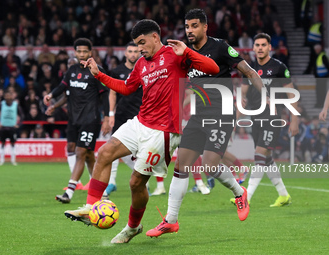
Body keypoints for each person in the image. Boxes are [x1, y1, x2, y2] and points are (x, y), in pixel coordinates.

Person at [64, 19, 220, 244]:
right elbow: (127, 88)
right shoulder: (141, 64)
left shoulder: (176, 54)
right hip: (140, 122)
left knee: (136, 182)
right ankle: (90, 207)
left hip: (163, 131)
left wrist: (188, 52)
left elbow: (213, 68)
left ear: (155, 37)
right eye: (137, 45)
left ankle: (132, 227)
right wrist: (99, 75)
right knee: (105, 153)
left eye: (142, 43)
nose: (140, 48)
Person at [146, 9, 265, 238]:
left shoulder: (220, 47)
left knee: (210, 166)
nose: (189, 31)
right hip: (198, 115)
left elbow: (248, 71)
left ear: (205, 27)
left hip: (222, 113)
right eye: (187, 26)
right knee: (181, 166)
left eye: (194, 26)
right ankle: (170, 221)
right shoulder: (184, 53)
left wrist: (266, 97)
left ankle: (240, 193)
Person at [233, 33, 299, 207]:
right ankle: (283, 195)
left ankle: (245, 196)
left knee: (259, 156)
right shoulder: (248, 69)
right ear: (253, 48)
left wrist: (295, 120)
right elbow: (243, 98)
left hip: (272, 118)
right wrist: (234, 121)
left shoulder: (279, 67)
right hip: (255, 119)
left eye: (264, 45)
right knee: (266, 159)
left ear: (270, 47)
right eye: (257, 45)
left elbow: (292, 95)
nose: (260, 48)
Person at [43, 38, 110, 203]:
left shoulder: (96, 70)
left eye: (85, 51)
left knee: (81, 152)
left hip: (90, 119)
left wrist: (108, 117)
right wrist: (51, 96)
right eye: (79, 51)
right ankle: (102, 190)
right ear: (75, 52)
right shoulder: (72, 70)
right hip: (73, 120)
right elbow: (63, 87)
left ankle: (70, 192)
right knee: (86, 156)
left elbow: (106, 95)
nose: (82, 54)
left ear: (90, 52)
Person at [105, 41, 141, 196]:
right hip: (120, 116)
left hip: (140, 117)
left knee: (138, 152)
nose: (133, 54)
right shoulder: (117, 71)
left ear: (139, 53)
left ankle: (142, 181)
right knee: (112, 146)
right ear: (125, 53)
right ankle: (111, 182)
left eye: (135, 51)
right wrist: (111, 114)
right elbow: (112, 93)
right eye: (130, 51)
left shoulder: (144, 69)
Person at [0, 90, 24, 166]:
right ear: (4, 97)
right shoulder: (1, 104)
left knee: (13, 144)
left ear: (12, 96)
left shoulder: (15, 105)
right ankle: (1, 160)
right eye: (6, 96)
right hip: (3, 127)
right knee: (2, 143)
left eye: (9, 95)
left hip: (12, 127)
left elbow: (22, 115)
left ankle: (13, 160)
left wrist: (19, 124)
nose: (8, 97)